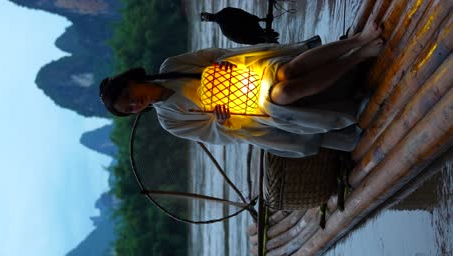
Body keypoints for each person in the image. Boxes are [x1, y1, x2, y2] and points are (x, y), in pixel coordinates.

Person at [100, 22, 384, 158]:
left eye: (128, 97)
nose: (135, 103)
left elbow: (214, 54)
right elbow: (215, 134)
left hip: (248, 73)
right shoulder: (170, 120)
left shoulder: (171, 66)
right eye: (130, 109)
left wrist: (224, 66)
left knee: (286, 71)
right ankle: (358, 58)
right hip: (248, 114)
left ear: (130, 82)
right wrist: (221, 119)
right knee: (281, 95)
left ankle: (358, 42)